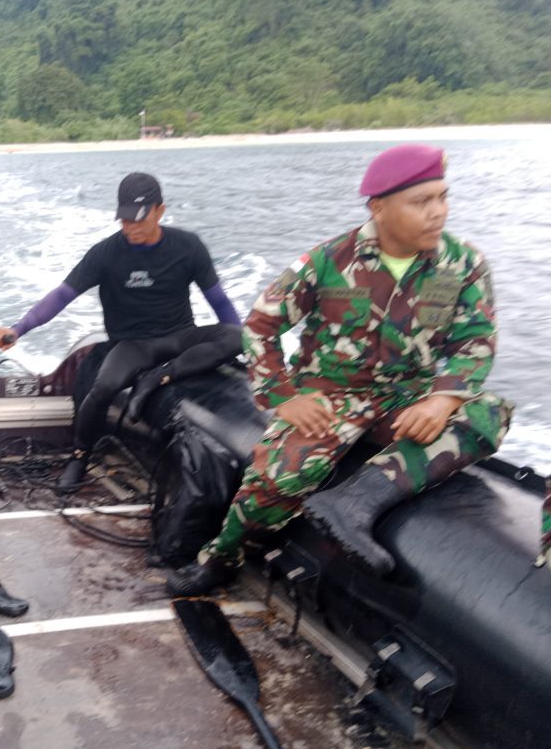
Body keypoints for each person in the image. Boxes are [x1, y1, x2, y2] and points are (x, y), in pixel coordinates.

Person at [168, 144, 513, 594]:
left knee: (488, 414)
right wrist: (284, 397)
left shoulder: (462, 264)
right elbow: (261, 325)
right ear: (379, 208)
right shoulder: (329, 261)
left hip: (410, 396)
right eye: (421, 202)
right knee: (280, 477)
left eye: (443, 197)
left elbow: (476, 340)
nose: (438, 212)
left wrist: (442, 400)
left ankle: (356, 500)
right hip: (332, 395)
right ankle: (221, 558)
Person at [0, 172, 243, 490]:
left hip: (180, 337)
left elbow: (219, 301)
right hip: (134, 345)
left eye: (139, 219)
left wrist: (253, 353)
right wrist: (18, 329)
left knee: (238, 337)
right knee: (103, 387)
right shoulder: (106, 254)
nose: (130, 227)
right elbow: (62, 295)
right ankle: (79, 456)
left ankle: (158, 377)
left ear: (160, 211)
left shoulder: (188, 246)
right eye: (125, 220)